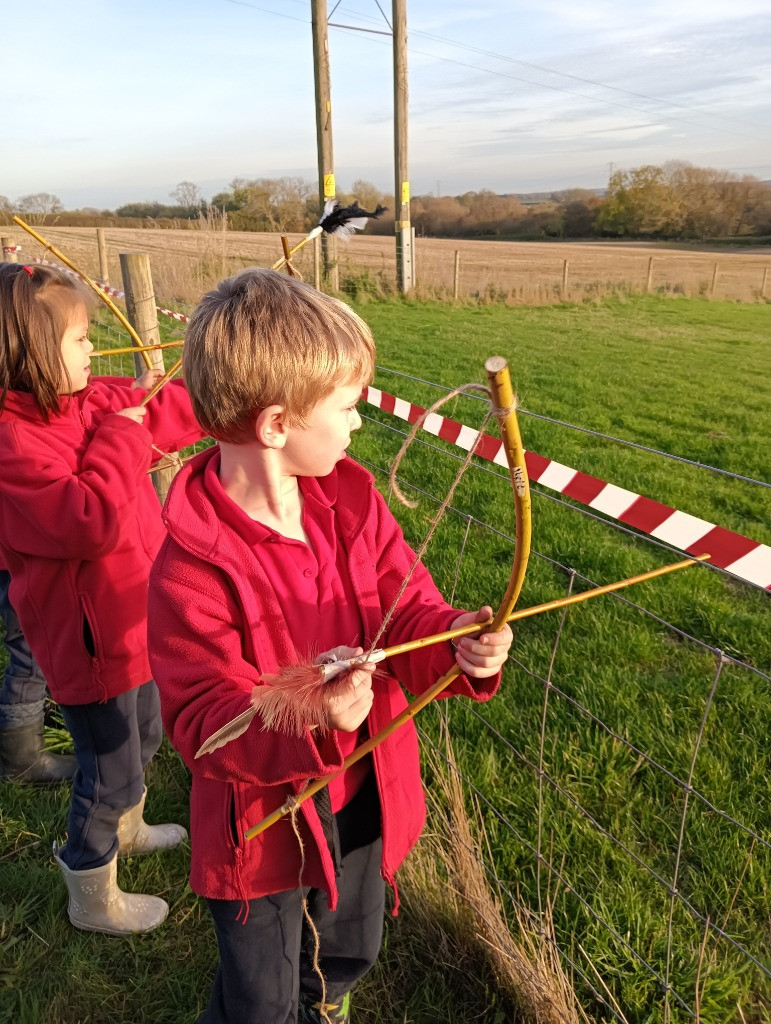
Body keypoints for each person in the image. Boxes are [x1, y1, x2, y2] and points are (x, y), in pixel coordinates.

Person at [147, 268, 514, 1024]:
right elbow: (201, 722)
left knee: (349, 947)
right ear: (278, 423)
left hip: (362, 792)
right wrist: (316, 712)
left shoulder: (351, 499)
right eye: (347, 408)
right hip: (261, 830)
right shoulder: (190, 565)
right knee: (258, 996)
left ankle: (325, 1006)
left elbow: (406, 607)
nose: (356, 427)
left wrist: (454, 644)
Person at [0, 261, 206, 935]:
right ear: (29, 351)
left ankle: (128, 826)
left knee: (144, 736)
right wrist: (124, 432)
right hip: (90, 650)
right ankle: (90, 890)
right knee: (107, 765)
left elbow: (156, 414)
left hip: (134, 620)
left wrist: (216, 389)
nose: (95, 350)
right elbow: (87, 517)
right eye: (81, 339)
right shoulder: (13, 446)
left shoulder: (82, 404)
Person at [0, 566, 76, 782]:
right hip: (21, 556)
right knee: (31, 651)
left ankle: (43, 714)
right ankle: (22, 761)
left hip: (20, 553)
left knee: (42, 644)